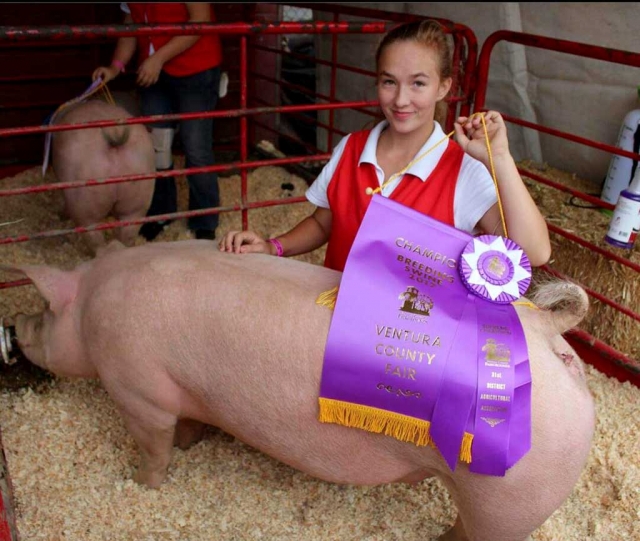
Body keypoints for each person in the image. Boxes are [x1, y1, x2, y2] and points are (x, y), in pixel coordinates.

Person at [219, 20, 551, 269]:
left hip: (409, 344)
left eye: (418, 83)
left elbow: (534, 253)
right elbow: (324, 222)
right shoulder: (351, 148)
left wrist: (501, 159)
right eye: (389, 82)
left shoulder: (462, 168)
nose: (401, 100)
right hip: (335, 325)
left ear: (443, 87)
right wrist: (272, 247)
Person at [93, 2, 223, 241]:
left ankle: (205, 218)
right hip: (154, 72)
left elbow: (200, 20)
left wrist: (158, 58)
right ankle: (162, 212)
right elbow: (131, 25)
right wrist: (115, 67)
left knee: (196, 146)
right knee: (158, 147)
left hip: (196, 67)